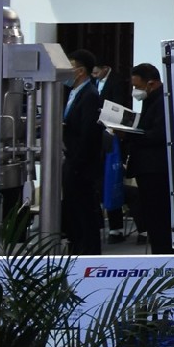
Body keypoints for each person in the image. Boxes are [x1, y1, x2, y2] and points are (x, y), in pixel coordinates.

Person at [59, 49, 106, 256]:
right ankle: (77, 250)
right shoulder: (73, 93)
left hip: (82, 166)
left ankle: (89, 255)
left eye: (70, 67)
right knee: (73, 211)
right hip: (71, 159)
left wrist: (77, 163)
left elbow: (88, 134)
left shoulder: (90, 95)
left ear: (80, 71)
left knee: (85, 212)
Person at [124, 63, 174, 254]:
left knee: (158, 217)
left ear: (151, 83)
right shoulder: (151, 99)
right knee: (153, 217)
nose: (135, 91)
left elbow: (158, 134)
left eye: (137, 86)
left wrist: (130, 134)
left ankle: (163, 254)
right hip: (147, 168)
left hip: (155, 169)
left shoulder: (162, 101)